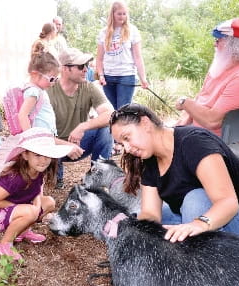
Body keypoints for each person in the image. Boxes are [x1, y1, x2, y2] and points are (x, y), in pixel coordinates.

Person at [110, 103, 239, 241]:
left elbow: (228, 203)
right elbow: (151, 214)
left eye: (127, 138)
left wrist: (197, 224)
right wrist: (130, 228)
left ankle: (201, 267)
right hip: (195, 218)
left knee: (195, 199)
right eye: (122, 144)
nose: (127, 149)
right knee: (140, 219)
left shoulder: (194, 143)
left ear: (145, 123)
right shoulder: (149, 160)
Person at [175, 17, 239, 158]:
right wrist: (181, 124)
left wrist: (185, 103)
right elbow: (201, 98)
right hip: (200, 133)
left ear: (233, 45)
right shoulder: (227, 65)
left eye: (218, 40)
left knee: (157, 145)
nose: (214, 44)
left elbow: (212, 121)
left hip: (218, 142)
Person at [0, 127, 72, 260]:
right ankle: (4, 244)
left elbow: (37, 191)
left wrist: (37, 206)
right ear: (25, 155)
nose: (43, 160)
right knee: (30, 211)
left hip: (18, 210)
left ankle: (22, 231)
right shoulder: (15, 177)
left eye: (47, 155)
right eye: (37, 154)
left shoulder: (38, 170)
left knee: (49, 202)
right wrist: (21, 208)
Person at [46, 47, 115, 189]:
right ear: (65, 69)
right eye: (81, 66)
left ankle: (97, 179)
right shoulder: (48, 91)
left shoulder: (88, 87)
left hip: (79, 144)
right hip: (52, 148)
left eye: (87, 65)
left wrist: (83, 126)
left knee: (105, 130)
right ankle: (54, 174)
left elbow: (111, 114)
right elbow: (38, 135)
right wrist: (65, 145)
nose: (86, 70)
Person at [96, 1, 149, 111]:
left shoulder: (132, 30)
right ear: (113, 14)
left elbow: (138, 57)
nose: (122, 17)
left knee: (123, 111)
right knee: (114, 112)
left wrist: (143, 78)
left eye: (124, 14)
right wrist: (101, 75)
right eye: (119, 14)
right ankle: (115, 128)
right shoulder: (103, 33)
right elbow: (99, 58)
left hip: (126, 75)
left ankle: (125, 127)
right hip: (108, 76)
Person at [19, 43, 60, 136]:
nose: (53, 83)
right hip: (39, 138)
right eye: (51, 79)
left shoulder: (39, 90)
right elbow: (23, 115)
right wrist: (30, 138)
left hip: (44, 135)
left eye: (55, 79)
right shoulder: (33, 91)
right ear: (35, 74)